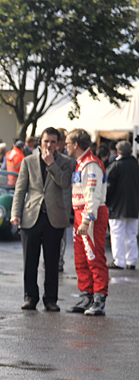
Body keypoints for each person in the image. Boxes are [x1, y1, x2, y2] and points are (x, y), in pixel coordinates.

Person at [10, 127, 74, 311]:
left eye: (53, 142)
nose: (49, 145)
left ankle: (51, 299)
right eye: (46, 141)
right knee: (30, 260)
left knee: (52, 261)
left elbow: (65, 183)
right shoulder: (28, 161)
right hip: (31, 216)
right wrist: (16, 213)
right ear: (40, 141)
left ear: (59, 144)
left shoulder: (67, 162)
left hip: (55, 217)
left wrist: (51, 164)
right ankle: (30, 297)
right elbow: (20, 189)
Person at [64, 128, 108, 316]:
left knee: (94, 256)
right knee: (81, 258)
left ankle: (99, 298)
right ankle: (86, 295)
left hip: (91, 215)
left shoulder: (91, 165)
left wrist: (88, 219)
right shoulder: (80, 163)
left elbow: (93, 195)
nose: (64, 147)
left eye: (66, 143)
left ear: (75, 144)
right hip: (80, 213)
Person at [105, 140, 139, 271]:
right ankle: (131, 260)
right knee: (131, 234)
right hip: (134, 205)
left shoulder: (115, 166)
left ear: (118, 151)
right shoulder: (135, 165)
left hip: (117, 206)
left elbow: (108, 187)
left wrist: (106, 202)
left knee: (117, 233)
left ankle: (119, 261)